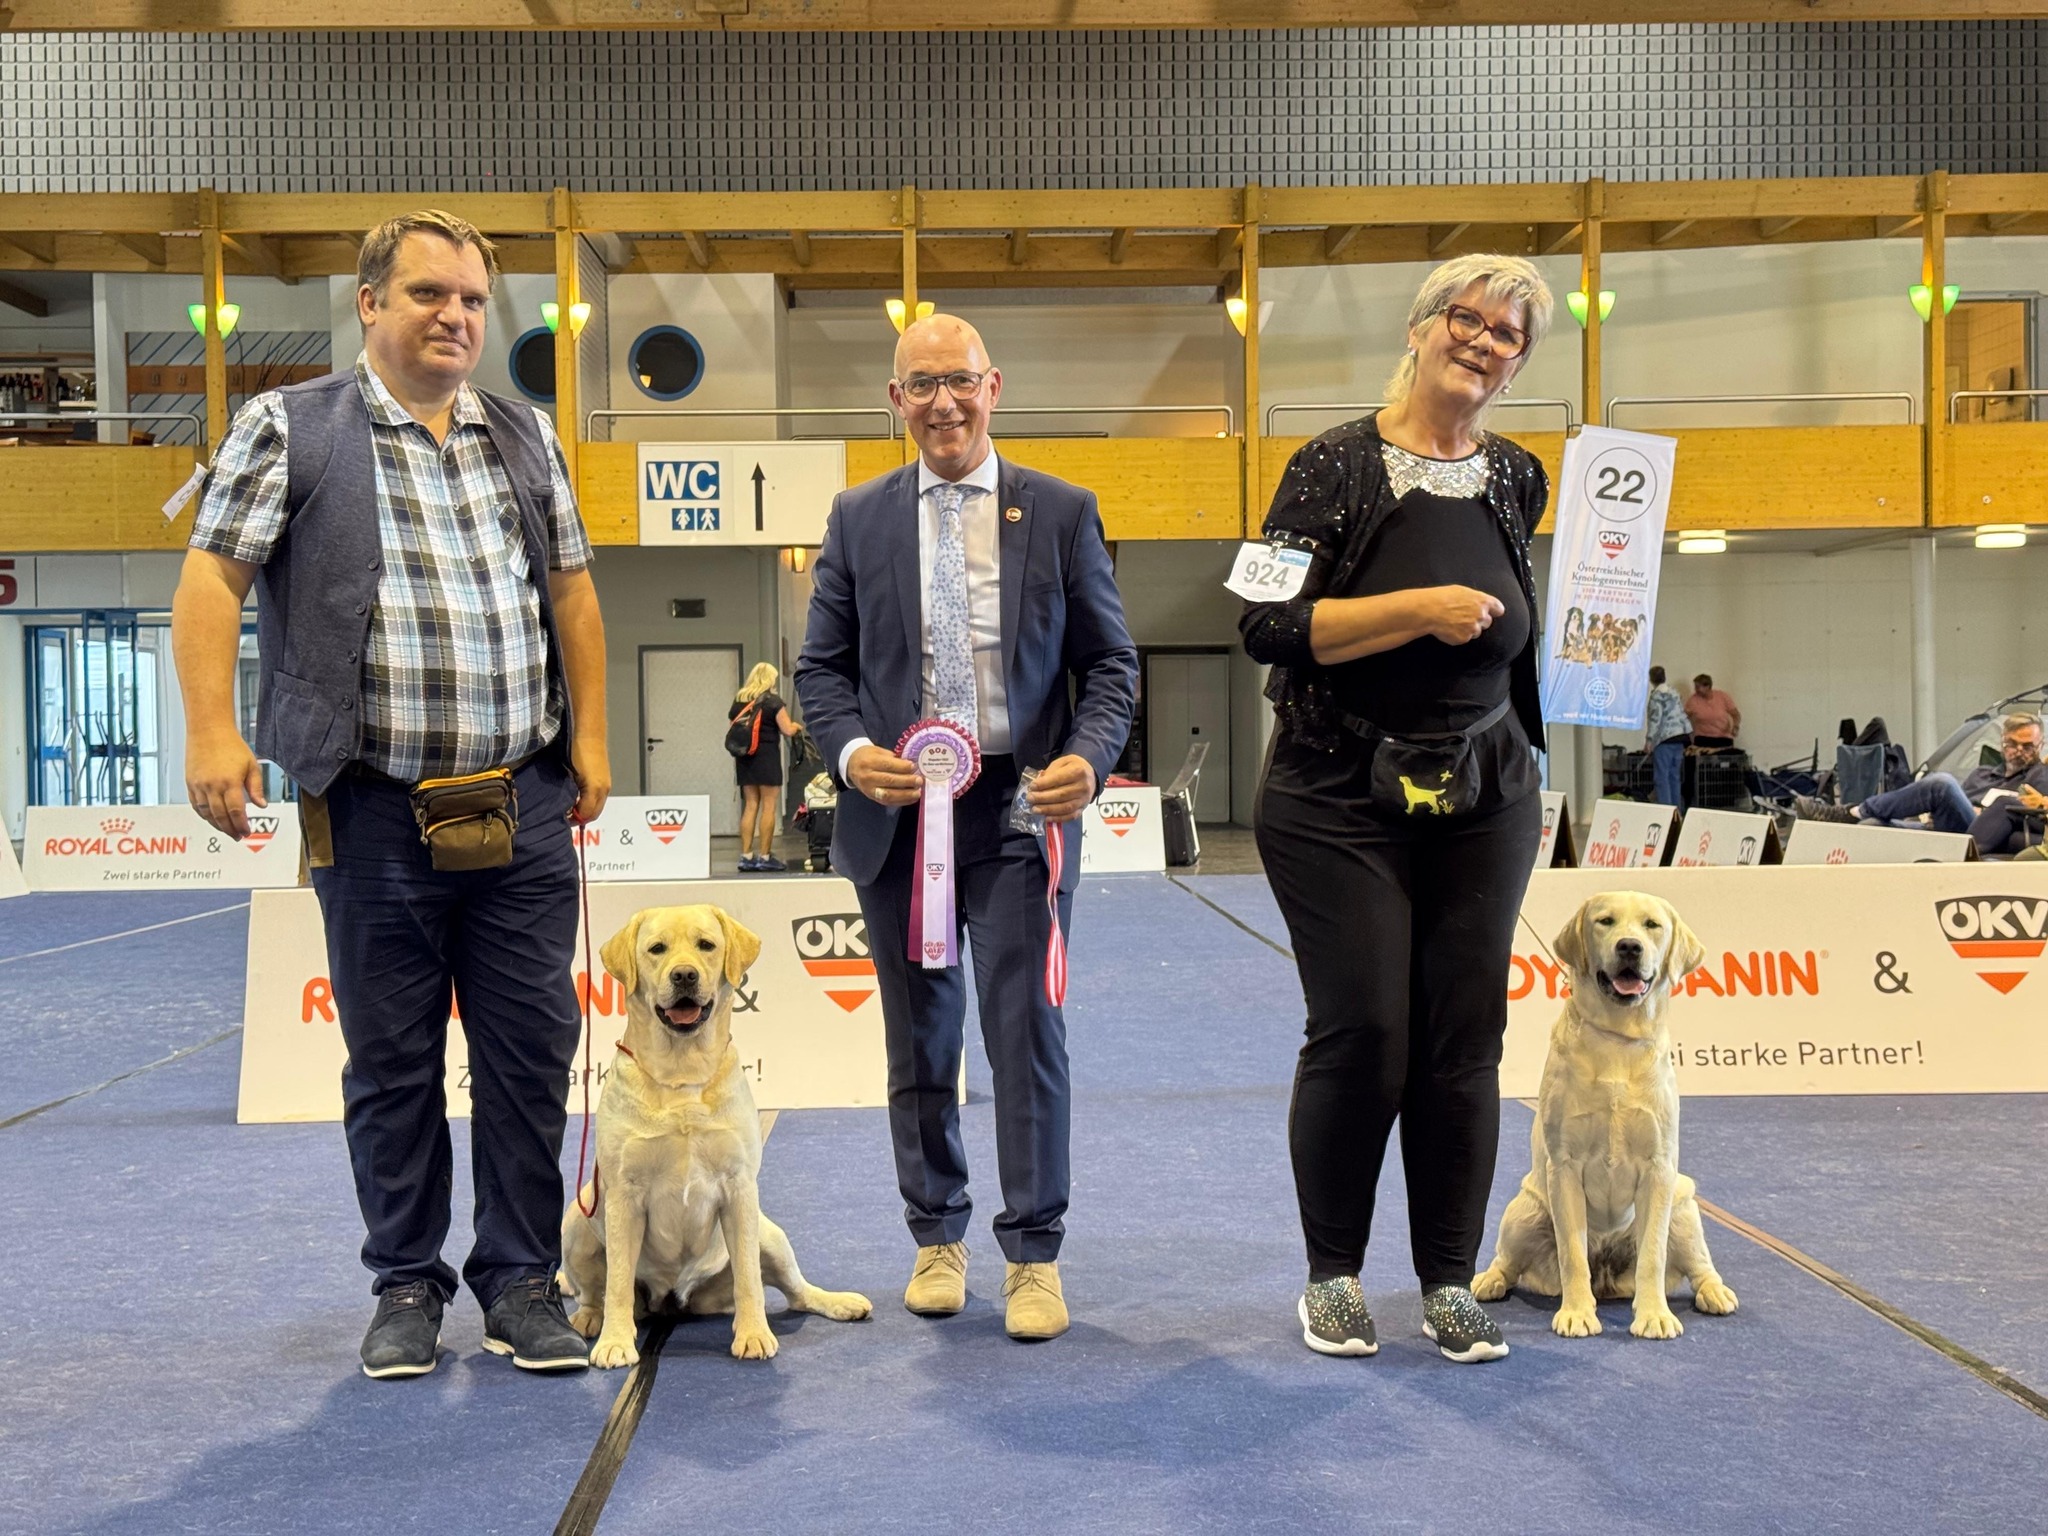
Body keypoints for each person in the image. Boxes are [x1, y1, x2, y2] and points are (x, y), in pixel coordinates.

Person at [172, 210, 610, 1381]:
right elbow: (212, 582)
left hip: (520, 801)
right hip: (368, 808)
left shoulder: (525, 434)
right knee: (393, 1060)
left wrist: (596, 744)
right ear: (369, 303)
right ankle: (405, 1284)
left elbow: (571, 596)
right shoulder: (287, 428)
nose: (454, 317)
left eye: (470, 299)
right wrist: (212, 731)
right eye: (427, 294)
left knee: (530, 1049)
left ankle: (520, 1279)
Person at [795, 314, 1136, 1342]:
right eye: (920, 385)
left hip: (1021, 811)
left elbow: (1112, 666)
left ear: (994, 386)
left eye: (960, 382)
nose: (942, 402)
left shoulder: (1062, 510)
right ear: (894, 402)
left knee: (1025, 1034)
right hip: (899, 816)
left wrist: (1090, 754)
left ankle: (1032, 1254)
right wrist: (855, 757)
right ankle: (934, 1236)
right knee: (920, 1039)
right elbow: (818, 668)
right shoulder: (856, 518)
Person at [1241, 253, 1554, 1365]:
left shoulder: (1518, 477)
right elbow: (1266, 626)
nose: (1480, 339)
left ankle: (1446, 1280)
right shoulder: (1328, 464)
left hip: (1486, 793)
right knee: (1366, 1031)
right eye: (1462, 318)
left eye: (1505, 331)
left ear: (1518, 361)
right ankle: (1331, 1276)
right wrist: (1412, 610)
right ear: (1420, 329)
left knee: (1463, 1039)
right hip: (1334, 792)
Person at [1791, 713, 2048, 857]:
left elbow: (2037, 816)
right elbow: (1951, 808)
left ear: (2040, 745)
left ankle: (1848, 812)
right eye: (2013, 744)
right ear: (2002, 743)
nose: (2020, 751)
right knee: (1874, 826)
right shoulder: (1982, 774)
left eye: (2028, 746)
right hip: (1947, 828)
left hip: (1984, 835)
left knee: (1942, 784)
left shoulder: (2040, 775)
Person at [729, 661, 802, 872]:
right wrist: (797, 727)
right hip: (767, 757)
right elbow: (787, 729)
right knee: (769, 806)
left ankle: (745, 856)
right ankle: (764, 856)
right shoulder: (773, 702)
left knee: (751, 805)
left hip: (745, 758)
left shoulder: (739, 701)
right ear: (770, 679)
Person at [1644, 665, 1689, 807]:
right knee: (1674, 777)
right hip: (1680, 737)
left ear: (1651, 679)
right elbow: (1682, 714)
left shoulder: (1656, 696)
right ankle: (1677, 812)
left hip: (1664, 739)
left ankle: (1666, 811)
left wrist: (1649, 740)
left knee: (1661, 777)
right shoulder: (1675, 693)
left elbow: (1655, 719)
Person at [1684, 673, 1740, 745]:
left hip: (1723, 737)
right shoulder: (1693, 700)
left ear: (1707, 686)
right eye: (1695, 687)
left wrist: (1735, 726)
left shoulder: (1722, 696)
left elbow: (1735, 714)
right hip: (1702, 738)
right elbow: (1684, 717)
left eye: (1698, 687)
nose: (1695, 690)